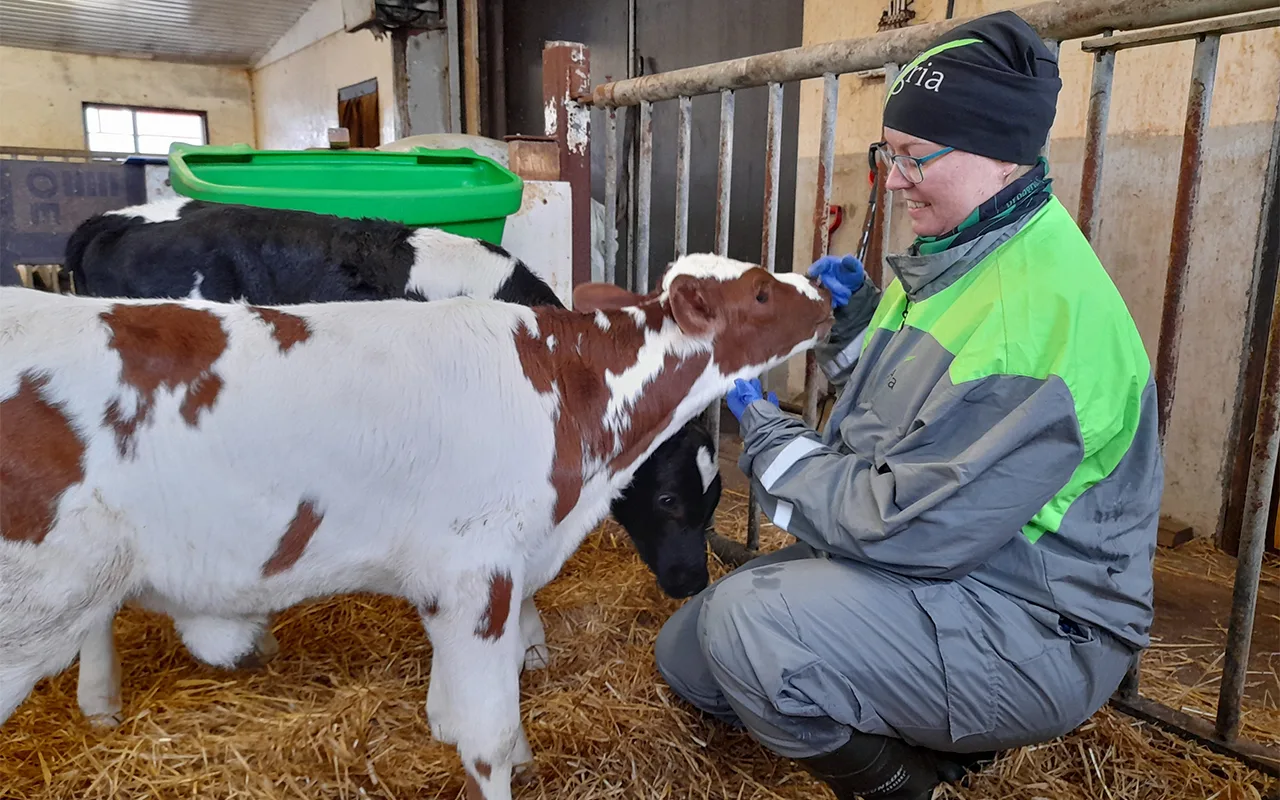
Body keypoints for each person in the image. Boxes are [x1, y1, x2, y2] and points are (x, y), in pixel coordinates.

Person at [654, 10, 1163, 800]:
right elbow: (917, 422)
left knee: (751, 630)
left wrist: (765, 434)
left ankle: (906, 783)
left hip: (1034, 617)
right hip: (959, 562)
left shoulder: (1034, 318)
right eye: (885, 155)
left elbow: (910, 523)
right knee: (690, 659)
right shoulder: (963, 252)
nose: (891, 181)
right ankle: (922, 721)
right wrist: (852, 332)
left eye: (912, 158)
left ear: (999, 155)